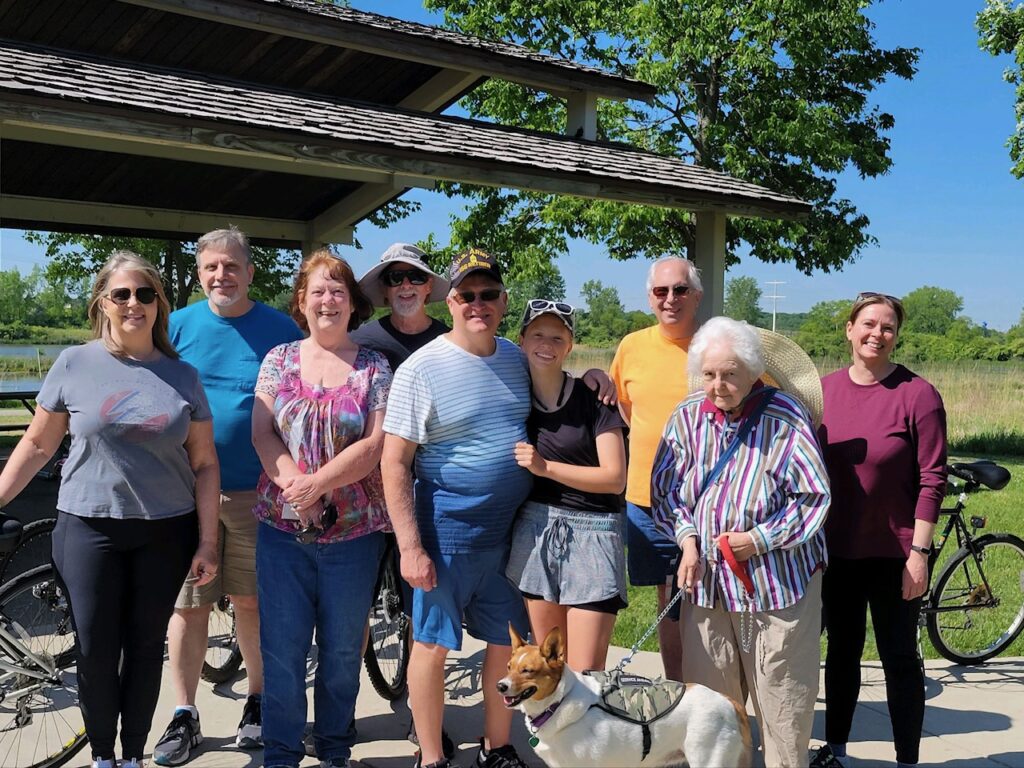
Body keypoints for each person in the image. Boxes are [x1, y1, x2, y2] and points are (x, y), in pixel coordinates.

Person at [0, 250, 220, 768]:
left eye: (145, 294)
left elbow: (206, 464)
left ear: (159, 304)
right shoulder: (74, 363)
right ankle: (103, 756)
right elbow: (35, 446)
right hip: (87, 526)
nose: (133, 304)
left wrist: (208, 540)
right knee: (96, 649)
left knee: (145, 648)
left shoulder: (182, 376)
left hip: (166, 532)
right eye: (121, 294)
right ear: (103, 301)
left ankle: (133, 756)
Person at [651, 317, 830, 768]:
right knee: (713, 710)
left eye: (730, 373)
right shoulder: (686, 417)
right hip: (708, 587)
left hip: (777, 588)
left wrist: (759, 539)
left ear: (752, 372)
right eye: (710, 374)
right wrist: (689, 541)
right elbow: (666, 493)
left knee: (782, 702)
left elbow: (813, 497)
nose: (719, 384)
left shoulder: (785, 417)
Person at [154, 228, 302, 766]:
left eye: (232, 266)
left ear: (250, 272)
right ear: (199, 273)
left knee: (250, 603)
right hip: (186, 492)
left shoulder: (280, 328)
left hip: (257, 493)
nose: (222, 276)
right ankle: (184, 714)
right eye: (212, 267)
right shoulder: (176, 325)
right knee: (188, 608)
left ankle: (257, 702)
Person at [382, 248, 533, 768]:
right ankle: (430, 756)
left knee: (502, 644)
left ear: (503, 301)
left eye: (488, 294)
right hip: (443, 533)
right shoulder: (422, 368)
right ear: (449, 301)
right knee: (432, 644)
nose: (478, 303)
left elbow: (560, 390)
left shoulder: (516, 357)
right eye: (466, 294)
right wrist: (409, 547)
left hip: (505, 537)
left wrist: (596, 383)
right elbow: (394, 462)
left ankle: (498, 746)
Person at [250, 249, 391, 768]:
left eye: (338, 290)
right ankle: (281, 753)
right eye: (317, 291)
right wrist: (295, 489)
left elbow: (375, 444)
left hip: (354, 535)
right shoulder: (279, 360)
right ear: (301, 303)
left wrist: (318, 487)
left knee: (339, 654)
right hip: (280, 532)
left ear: (352, 303)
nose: (328, 300)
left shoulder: (374, 366)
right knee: (282, 654)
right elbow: (261, 431)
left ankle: (333, 748)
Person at [812, 293, 947, 768]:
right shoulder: (821, 392)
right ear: (848, 329)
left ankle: (907, 759)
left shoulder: (918, 395)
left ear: (897, 336)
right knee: (842, 655)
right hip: (837, 552)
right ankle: (838, 750)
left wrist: (920, 553)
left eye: (888, 327)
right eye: (868, 324)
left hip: (895, 553)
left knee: (899, 659)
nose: (877, 334)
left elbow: (933, 478)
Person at [506, 299, 628, 672]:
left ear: (570, 345)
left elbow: (614, 478)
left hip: (594, 533)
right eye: (538, 334)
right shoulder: (512, 397)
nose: (547, 344)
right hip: (537, 530)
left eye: (558, 337)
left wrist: (546, 468)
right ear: (522, 340)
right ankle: (545, 734)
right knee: (548, 668)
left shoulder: (594, 398)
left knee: (586, 675)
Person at [609, 255, 702, 681]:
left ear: (695, 295)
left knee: (712, 603)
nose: (671, 299)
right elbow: (626, 410)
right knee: (670, 599)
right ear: (650, 298)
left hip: (708, 503)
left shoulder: (715, 344)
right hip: (647, 502)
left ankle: (718, 695)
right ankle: (679, 692)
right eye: (661, 291)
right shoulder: (632, 346)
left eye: (680, 289)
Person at [352, 242, 451, 370]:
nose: (406, 285)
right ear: (383, 288)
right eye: (395, 277)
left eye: (416, 277)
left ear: (429, 286)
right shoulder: (358, 342)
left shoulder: (450, 343)